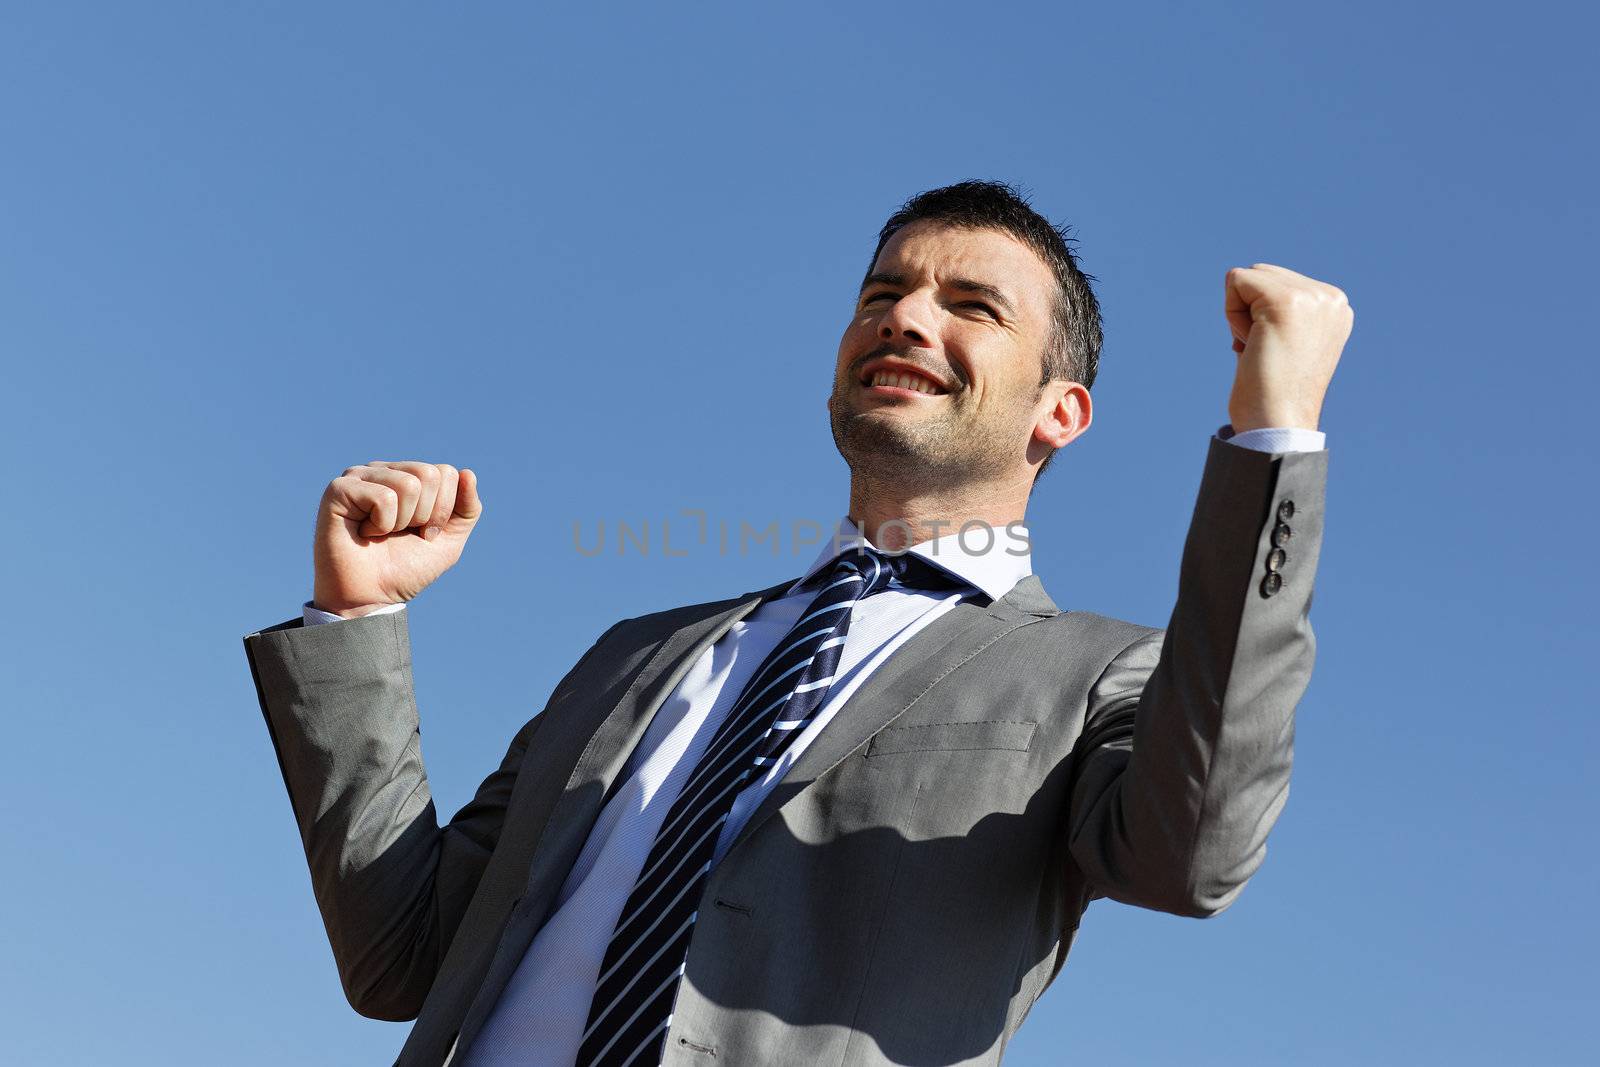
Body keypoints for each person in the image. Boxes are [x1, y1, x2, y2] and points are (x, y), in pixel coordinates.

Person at [242, 180, 1352, 1067]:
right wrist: (358, 612)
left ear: (1058, 413)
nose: (905, 316)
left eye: (972, 305)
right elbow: (402, 957)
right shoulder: (638, 652)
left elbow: (1194, 854)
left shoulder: (1098, 675)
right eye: (881, 294)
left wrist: (1272, 441)